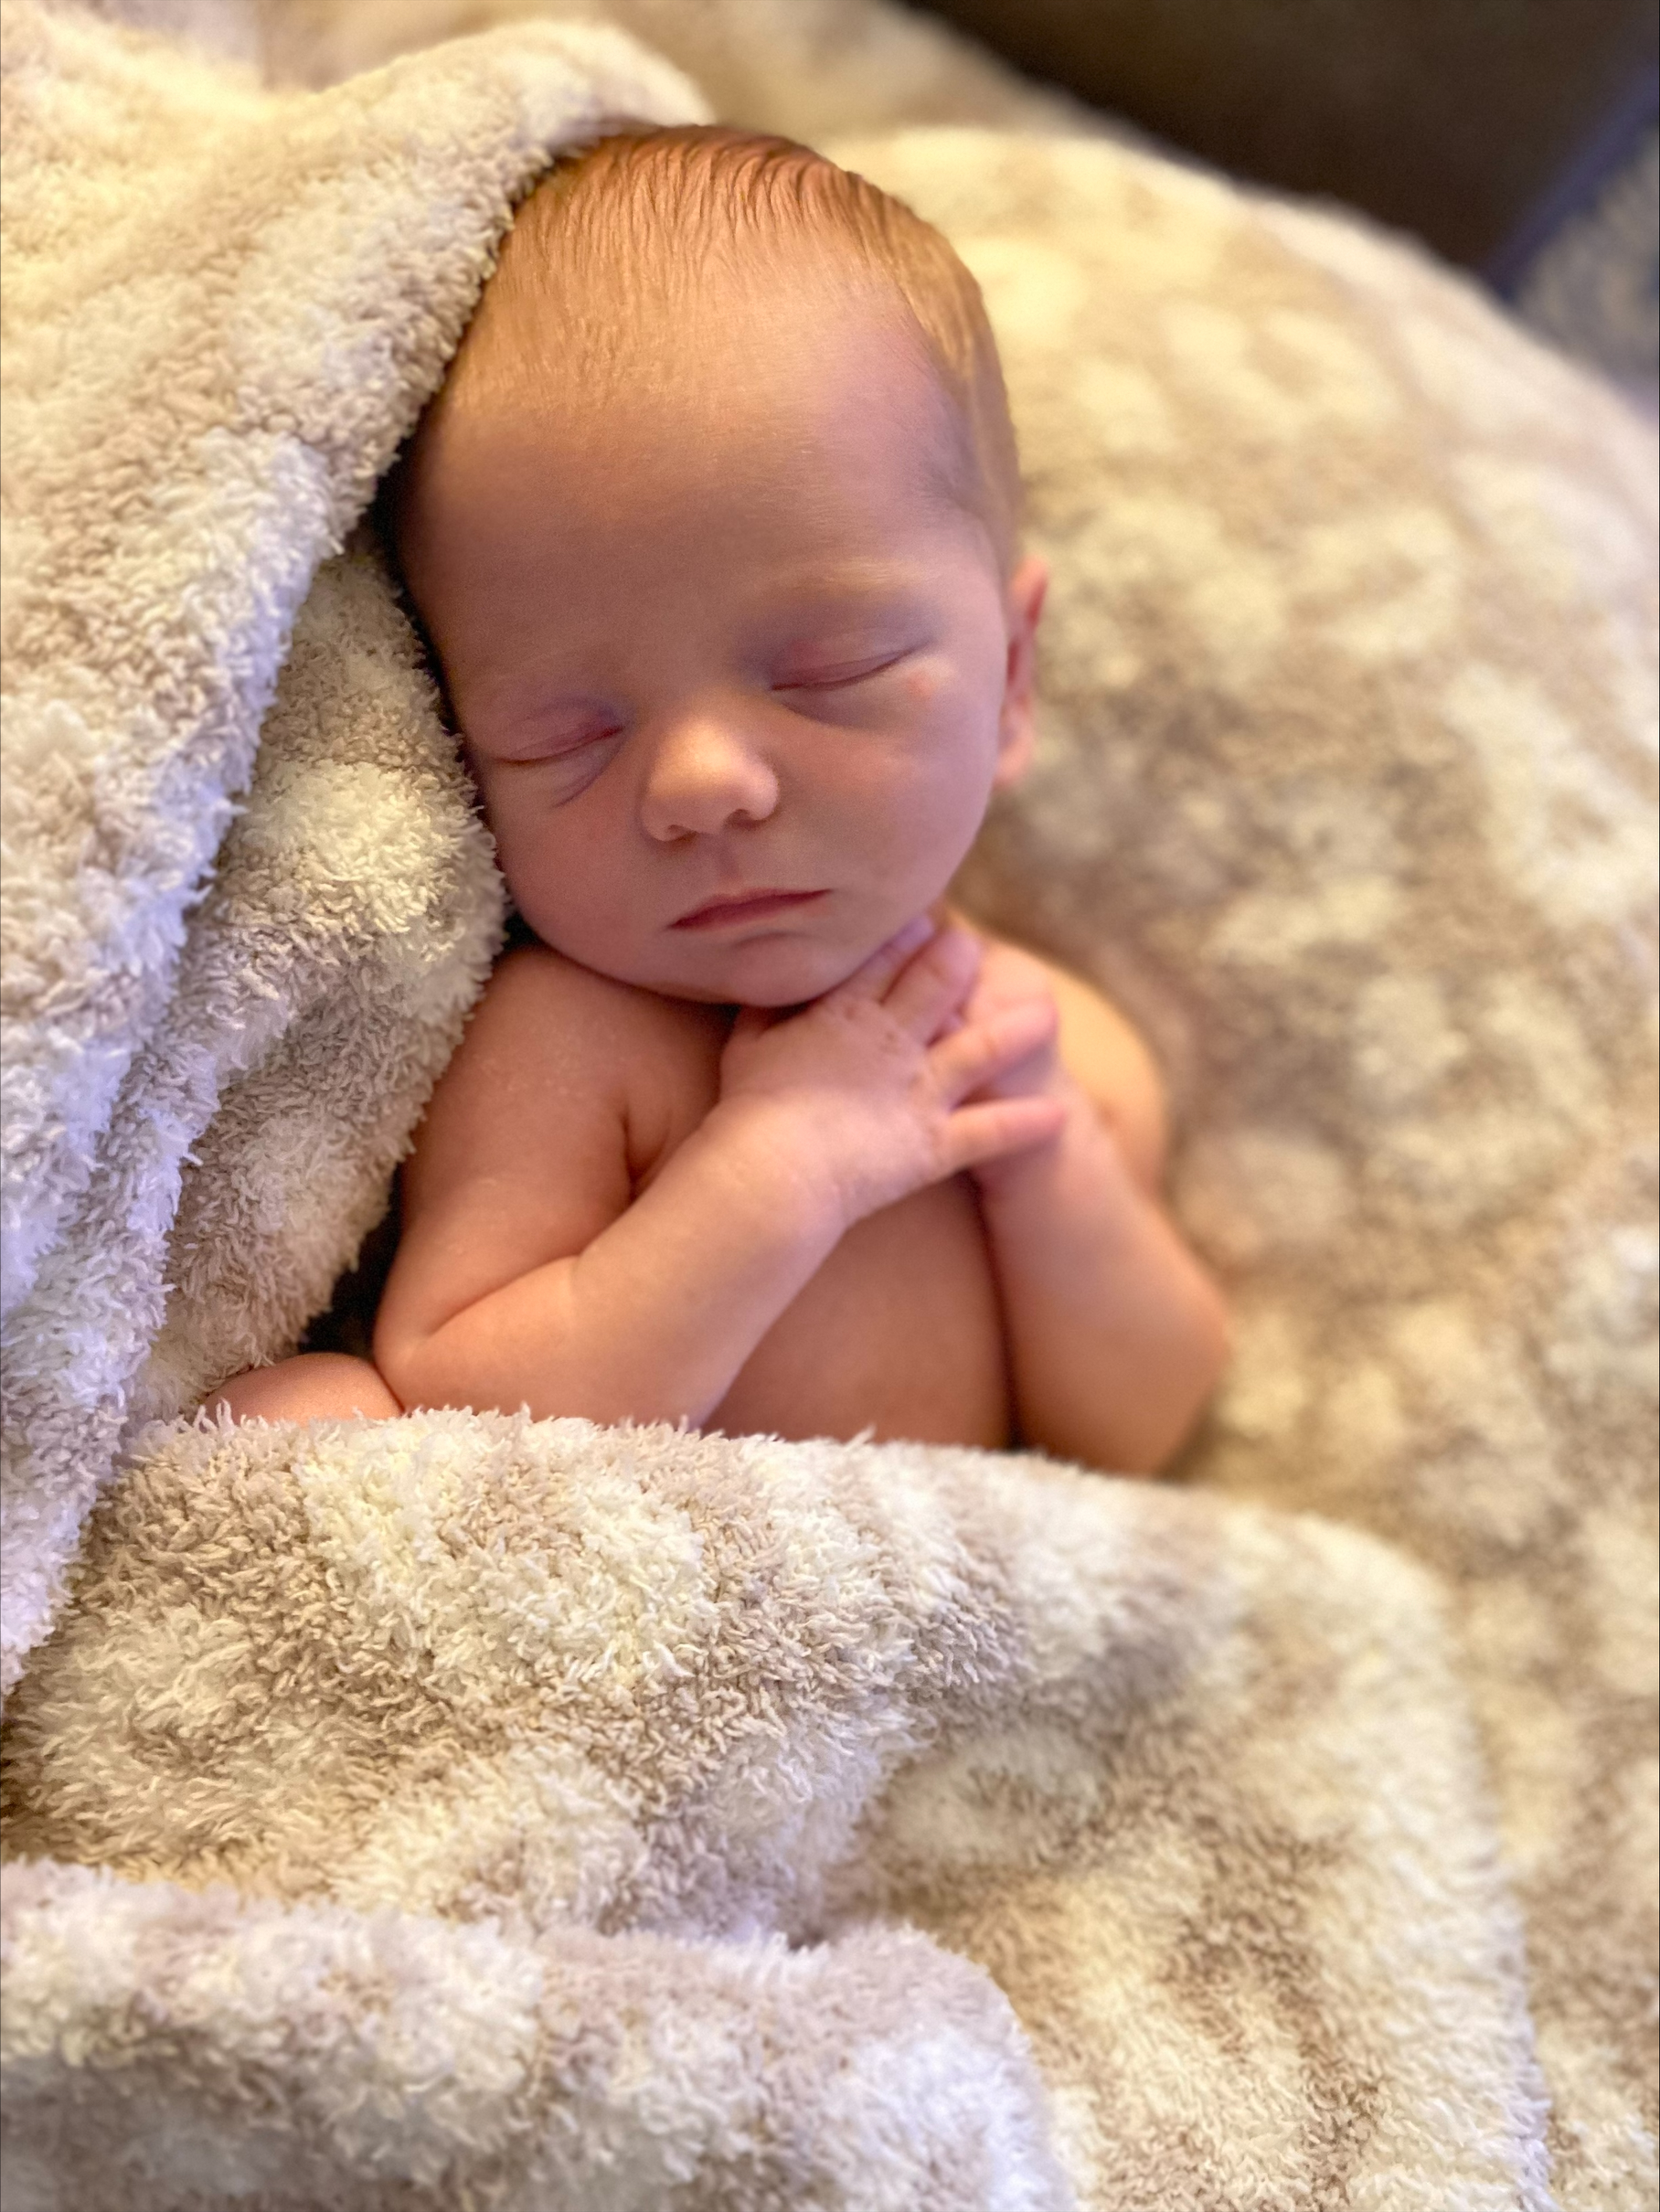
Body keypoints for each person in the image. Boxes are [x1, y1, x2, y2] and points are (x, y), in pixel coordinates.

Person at [210, 125, 1228, 1473]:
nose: (699, 785)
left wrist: (1049, 1171)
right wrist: (778, 1170)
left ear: (1015, 677)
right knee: (305, 1431)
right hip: (661, 1612)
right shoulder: (579, 1040)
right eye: (565, 735)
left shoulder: (1037, 1045)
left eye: (829, 671)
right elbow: (464, 1399)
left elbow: (1145, 1433)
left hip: (928, 1629)